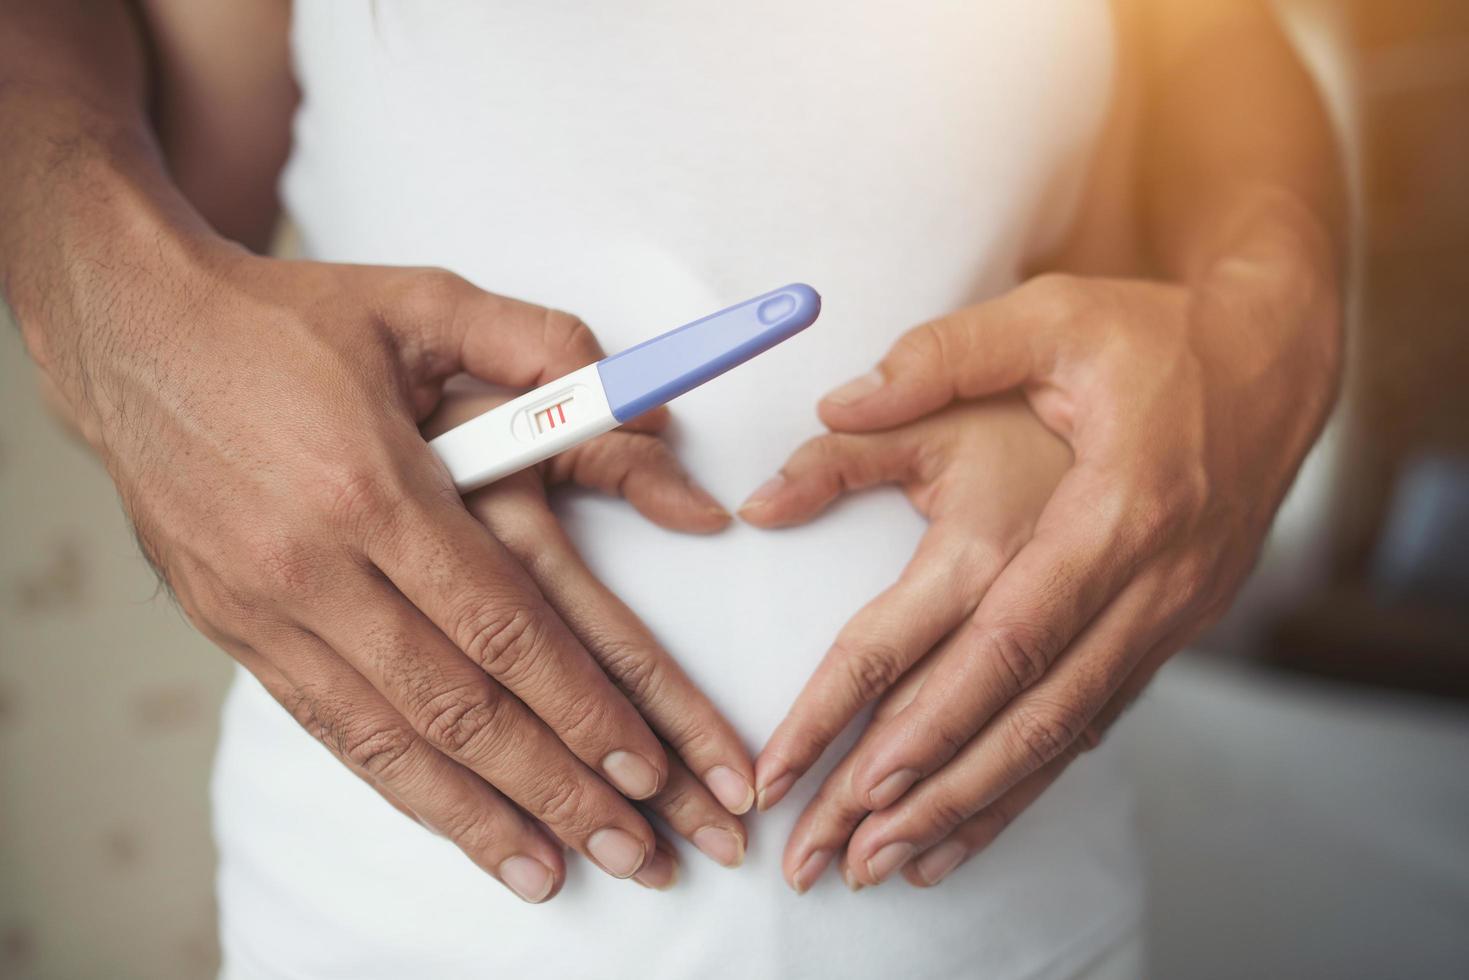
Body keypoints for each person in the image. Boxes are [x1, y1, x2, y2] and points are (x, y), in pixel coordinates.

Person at [0, 1, 1343, 977]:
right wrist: (105, 302)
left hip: (1010, 918)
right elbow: (143, 298)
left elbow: (1211, 50)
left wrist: (1272, 310)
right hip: (411, 925)